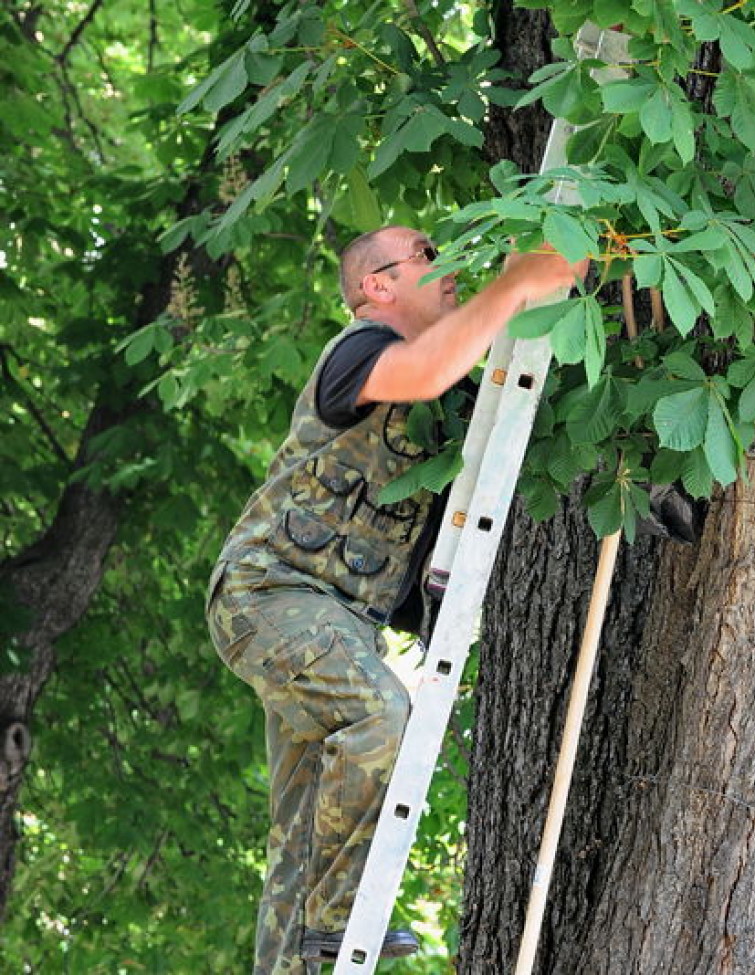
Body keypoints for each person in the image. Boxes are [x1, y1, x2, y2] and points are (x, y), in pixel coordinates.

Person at [205, 226, 587, 972]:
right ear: (376, 286)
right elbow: (421, 371)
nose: (446, 267)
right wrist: (514, 284)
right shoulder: (359, 350)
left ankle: (300, 957)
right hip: (268, 595)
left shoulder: (451, 398)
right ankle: (342, 924)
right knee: (379, 712)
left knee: (302, 837)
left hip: (341, 624)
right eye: (426, 254)